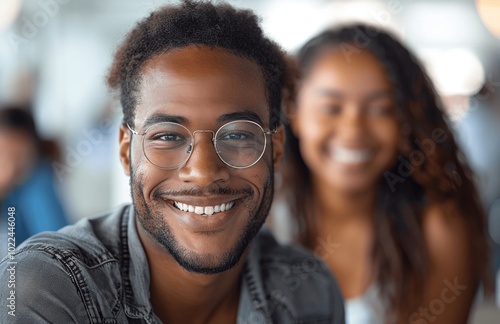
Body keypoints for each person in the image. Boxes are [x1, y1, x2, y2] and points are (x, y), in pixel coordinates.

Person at [0, 2, 345, 323]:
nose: (204, 172)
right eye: (168, 136)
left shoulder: (310, 292)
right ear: (125, 150)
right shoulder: (47, 288)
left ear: (277, 149)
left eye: (238, 135)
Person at [280, 24, 491, 323]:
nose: (354, 130)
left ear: (407, 120)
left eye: (381, 109)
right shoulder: (259, 217)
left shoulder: (438, 228)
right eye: (331, 107)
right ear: (294, 111)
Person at [0, 106, 68, 252]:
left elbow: (57, 249)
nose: (10, 169)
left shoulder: (36, 187)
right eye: (3, 156)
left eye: (17, 158)